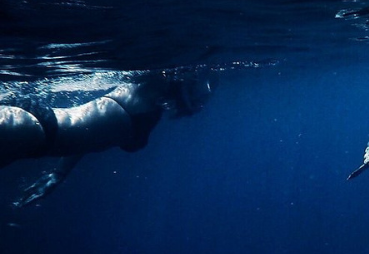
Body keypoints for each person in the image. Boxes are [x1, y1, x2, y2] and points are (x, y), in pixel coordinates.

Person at [0, 67, 216, 206]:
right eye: (206, 83)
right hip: (29, 129)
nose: (207, 91)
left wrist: (59, 174)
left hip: (31, 131)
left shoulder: (153, 102)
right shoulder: (152, 86)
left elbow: (88, 136)